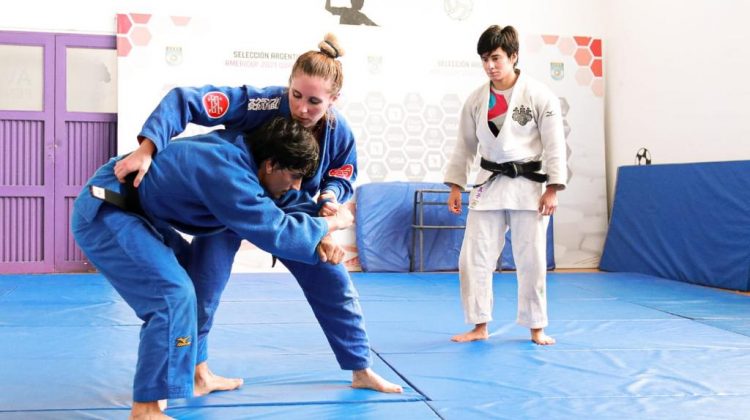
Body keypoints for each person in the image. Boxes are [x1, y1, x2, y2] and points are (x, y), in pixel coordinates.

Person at [112, 32, 403, 404]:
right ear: (288, 88)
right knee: (204, 288)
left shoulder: (337, 130)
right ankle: (199, 372)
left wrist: (330, 197)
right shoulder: (264, 103)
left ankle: (360, 369)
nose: (301, 108)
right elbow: (187, 100)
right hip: (233, 205)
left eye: (314, 101)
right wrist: (147, 148)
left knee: (331, 275)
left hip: (293, 210)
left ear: (333, 100)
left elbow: (343, 172)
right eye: (296, 96)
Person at [72, 117, 358, 419]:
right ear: (272, 165)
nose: (296, 186)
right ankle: (146, 409)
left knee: (193, 286)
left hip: (139, 214)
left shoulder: (250, 161)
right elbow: (278, 231)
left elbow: (288, 214)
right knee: (174, 296)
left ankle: (197, 375)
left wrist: (321, 229)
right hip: (108, 209)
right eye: (295, 176)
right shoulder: (230, 174)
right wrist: (333, 222)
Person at [444, 25, 567, 346]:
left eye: (496, 58)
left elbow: (555, 144)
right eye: (485, 59)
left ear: (513, 56)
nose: (490, 65)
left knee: (532, 260)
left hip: (530, 186)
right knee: (474, 258)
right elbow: (464, 146)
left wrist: (554, 187)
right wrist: (456, 185)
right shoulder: (475, 100)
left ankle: (536, 326)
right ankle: (479, 325)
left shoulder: (540, 95)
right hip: (490, 182)